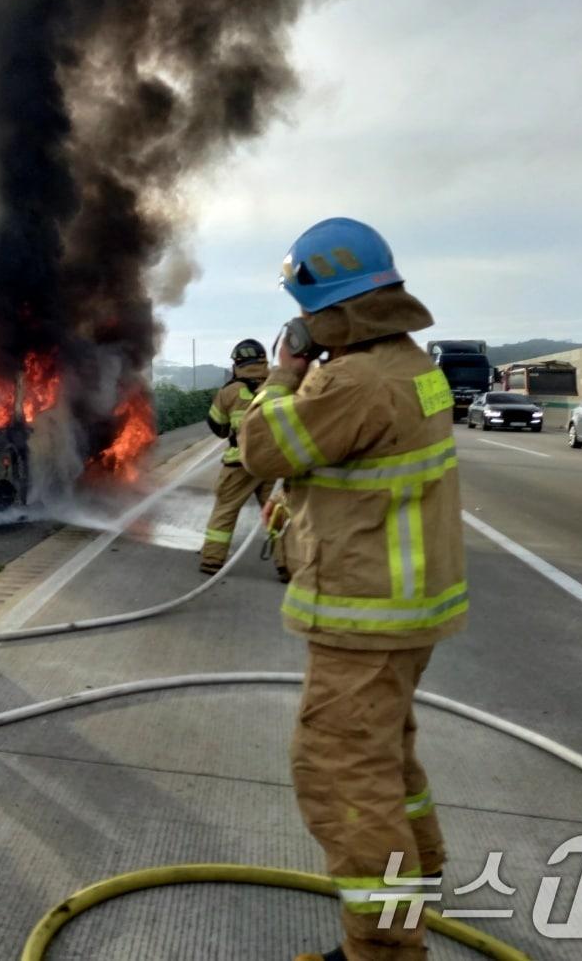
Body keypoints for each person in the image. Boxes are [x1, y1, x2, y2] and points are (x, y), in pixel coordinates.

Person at [237, 217, 466, 961]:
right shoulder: (410, 365)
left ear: (330, 306)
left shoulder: (356, 379)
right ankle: (418, 881)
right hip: (402, 609)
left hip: (366, 613)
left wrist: (281, 374)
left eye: (304, 308)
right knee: (386, 763)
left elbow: (263, 447)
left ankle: (386, 949)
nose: (300, 323)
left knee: (339, 775)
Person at [200, 337, 288, 580]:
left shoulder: (228, 392)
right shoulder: (280, 386)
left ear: (237, 363)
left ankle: (212, 560)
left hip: (239, 462)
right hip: (274, 464)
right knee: (278, 514)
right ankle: (287, 565)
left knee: (225, 510)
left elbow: (217, 427)